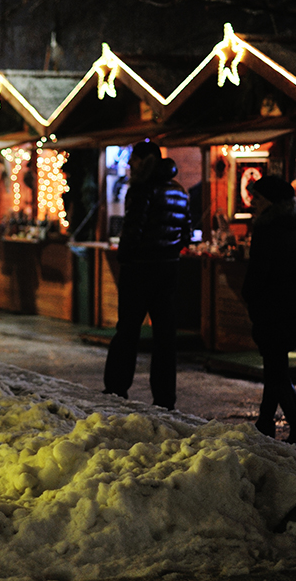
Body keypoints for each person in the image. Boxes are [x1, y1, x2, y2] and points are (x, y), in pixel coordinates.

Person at [102, 140, 190, 410]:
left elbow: (132, 230)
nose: (129, 165)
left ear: (145, 161)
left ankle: (116, 387)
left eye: (134, 160)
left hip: (140, 269)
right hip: (168, 268)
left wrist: (125, 258)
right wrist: (170, 252)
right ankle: (165, 398)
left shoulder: (141, 189)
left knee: (127, 330)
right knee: (165, 336)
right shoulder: (179, 190)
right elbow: (185, 233)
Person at [241, 175, 296, 444]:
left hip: (273, 310)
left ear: (270, 201)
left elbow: (258, 274)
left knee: (276, 370)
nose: (253, 203)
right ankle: (264, 421)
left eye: (257, 198)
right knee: (275, 365)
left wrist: (248, 295)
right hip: (294, 308)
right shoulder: (294, 225)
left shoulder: (266, 229)